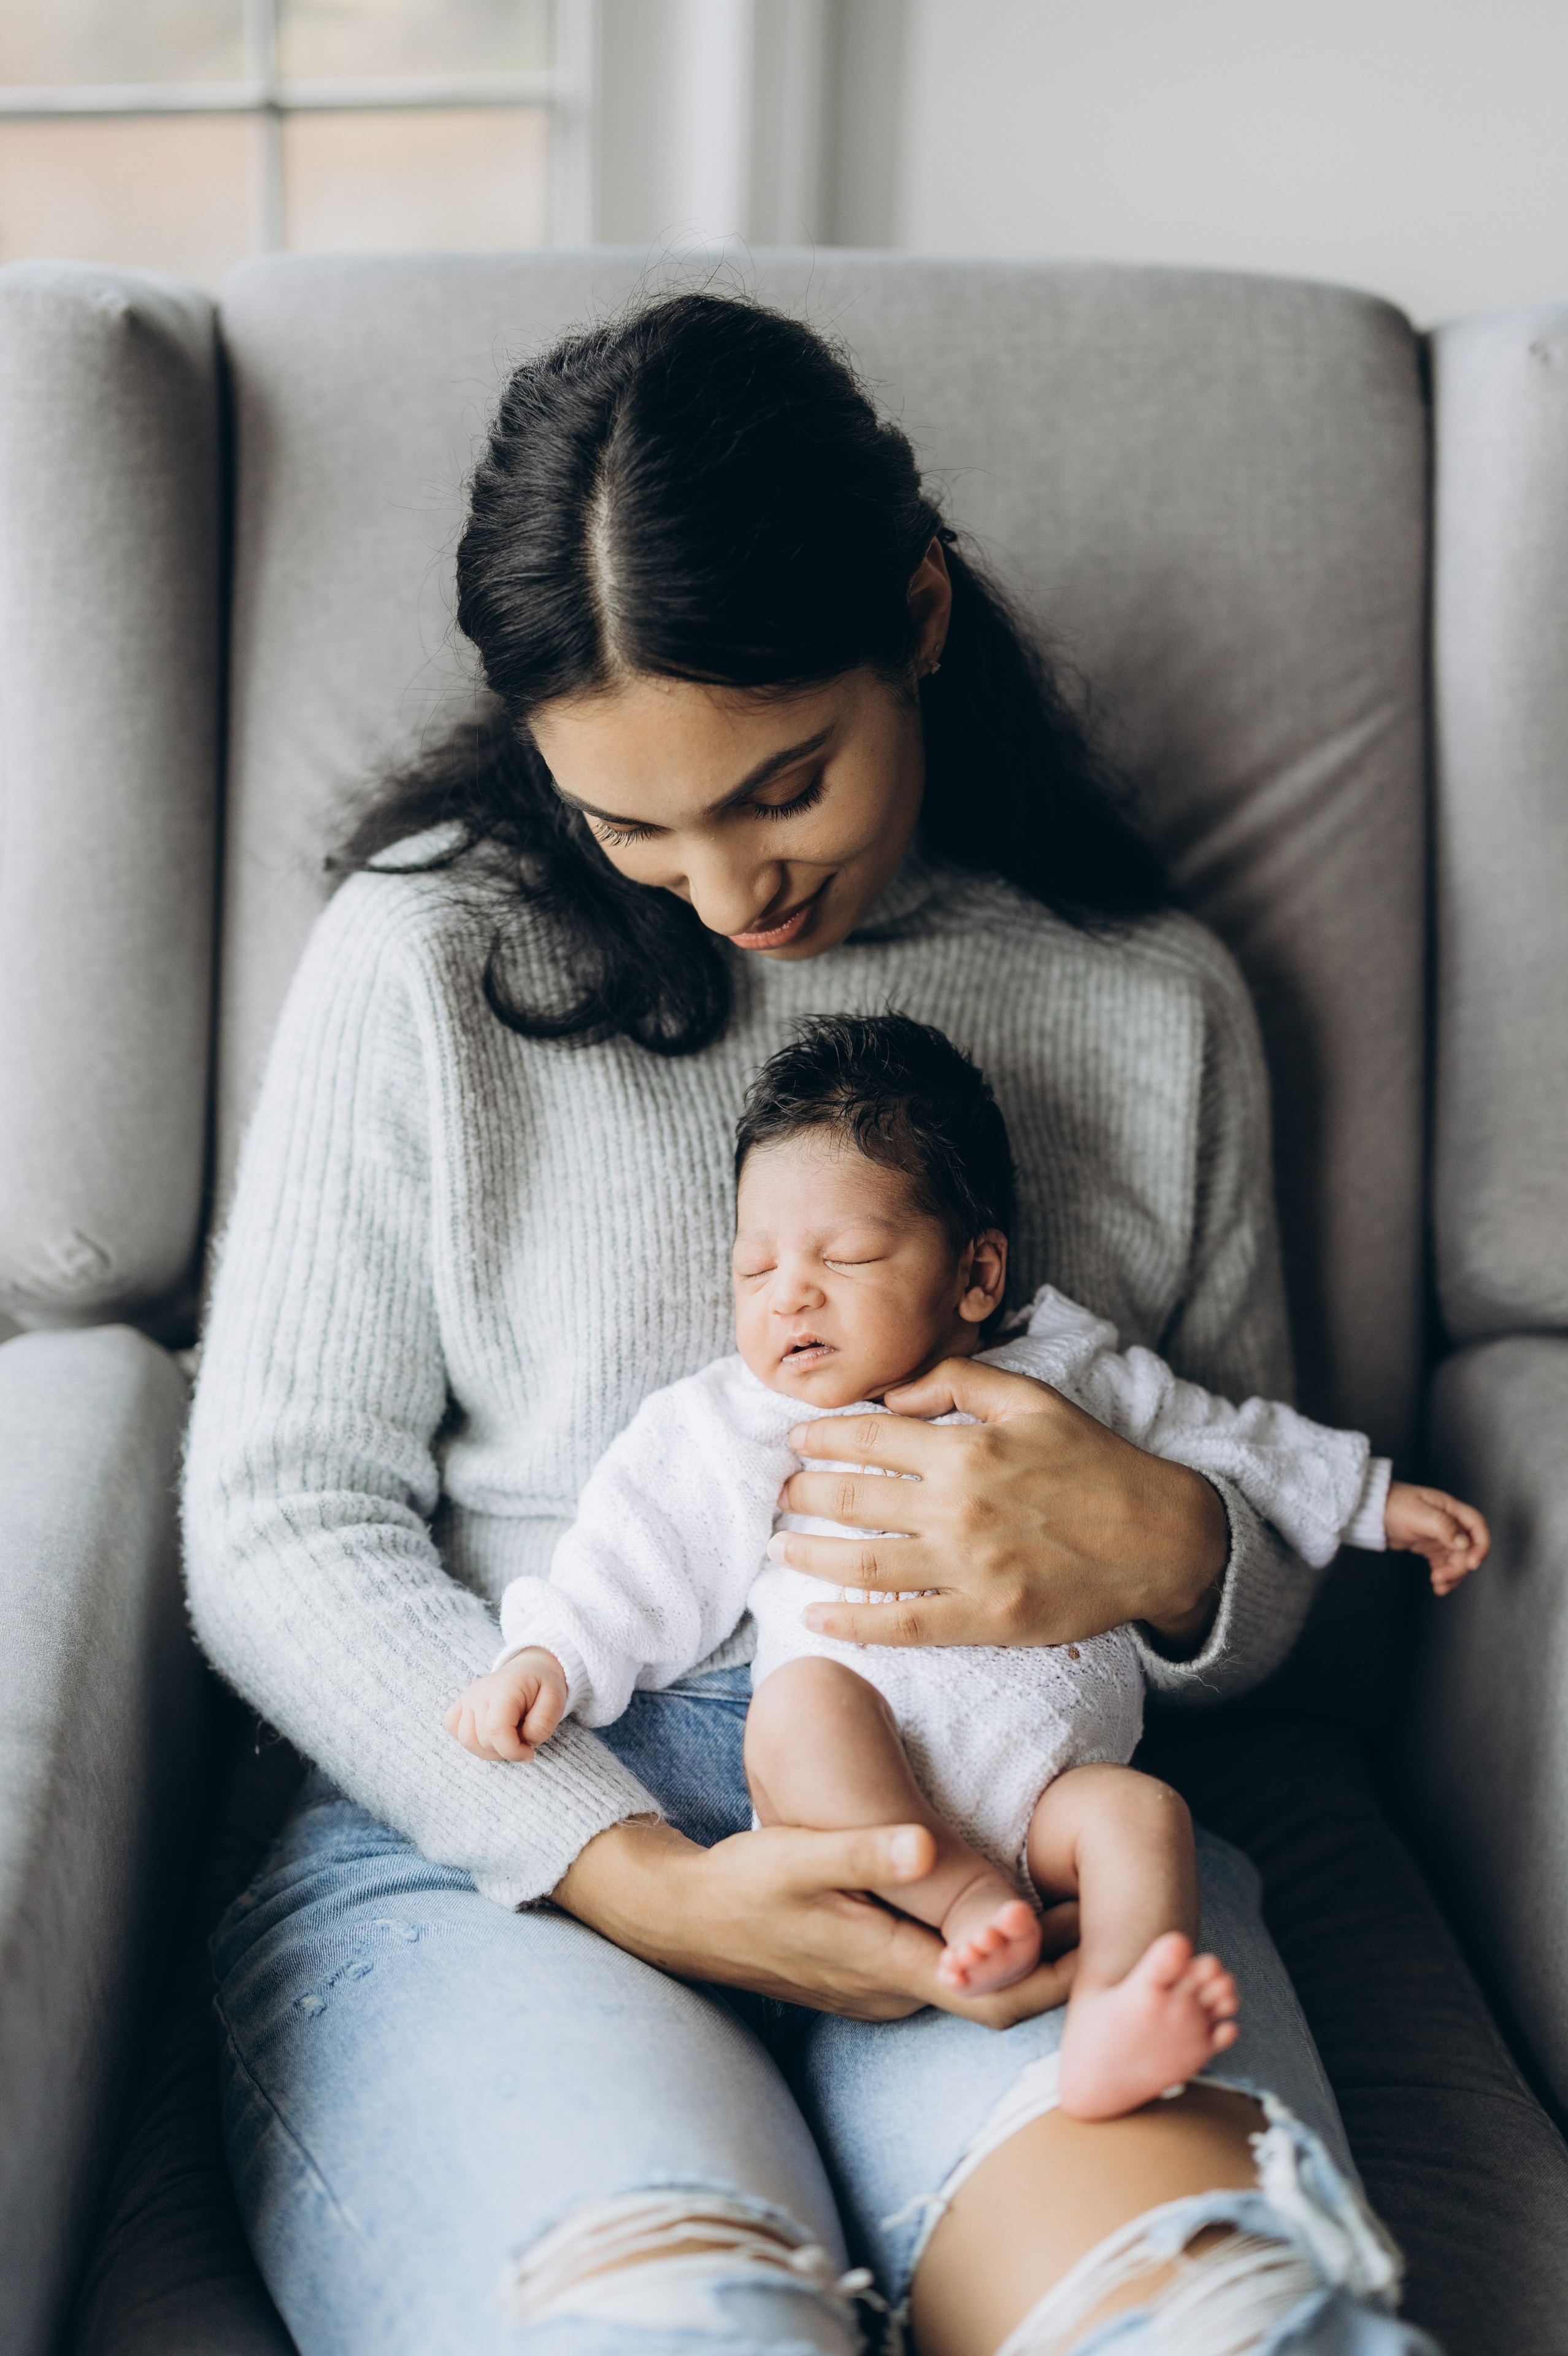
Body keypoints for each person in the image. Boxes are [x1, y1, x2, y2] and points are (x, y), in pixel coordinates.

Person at [184, 290, 1448, 2352]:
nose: (725, 891)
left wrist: (1160, 1544)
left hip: (1005, 1814)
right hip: (512, 1841)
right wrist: (629, 1869)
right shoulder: (422, 959)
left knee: (1220, 2326)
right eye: (629, 822)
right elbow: (278, 1516)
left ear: (921, 619)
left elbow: (1265, 1577)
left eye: (784, 786)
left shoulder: (1148, 1000)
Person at [448, 1012, 1486, 2120]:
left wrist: (1370, 1497)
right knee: (799, 1707)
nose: (788, 1292)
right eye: (755, 1268)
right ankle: (961, 1897)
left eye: (842, 1258)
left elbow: (1235, 1440)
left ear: (976, 1272)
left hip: (1053, 1790)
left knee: (1147, 1820)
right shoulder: (745, 1420)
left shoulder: (1077, 1373)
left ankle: (1125, 2019)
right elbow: (640, 1542)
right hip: (867, 1781)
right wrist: (553, 1650)